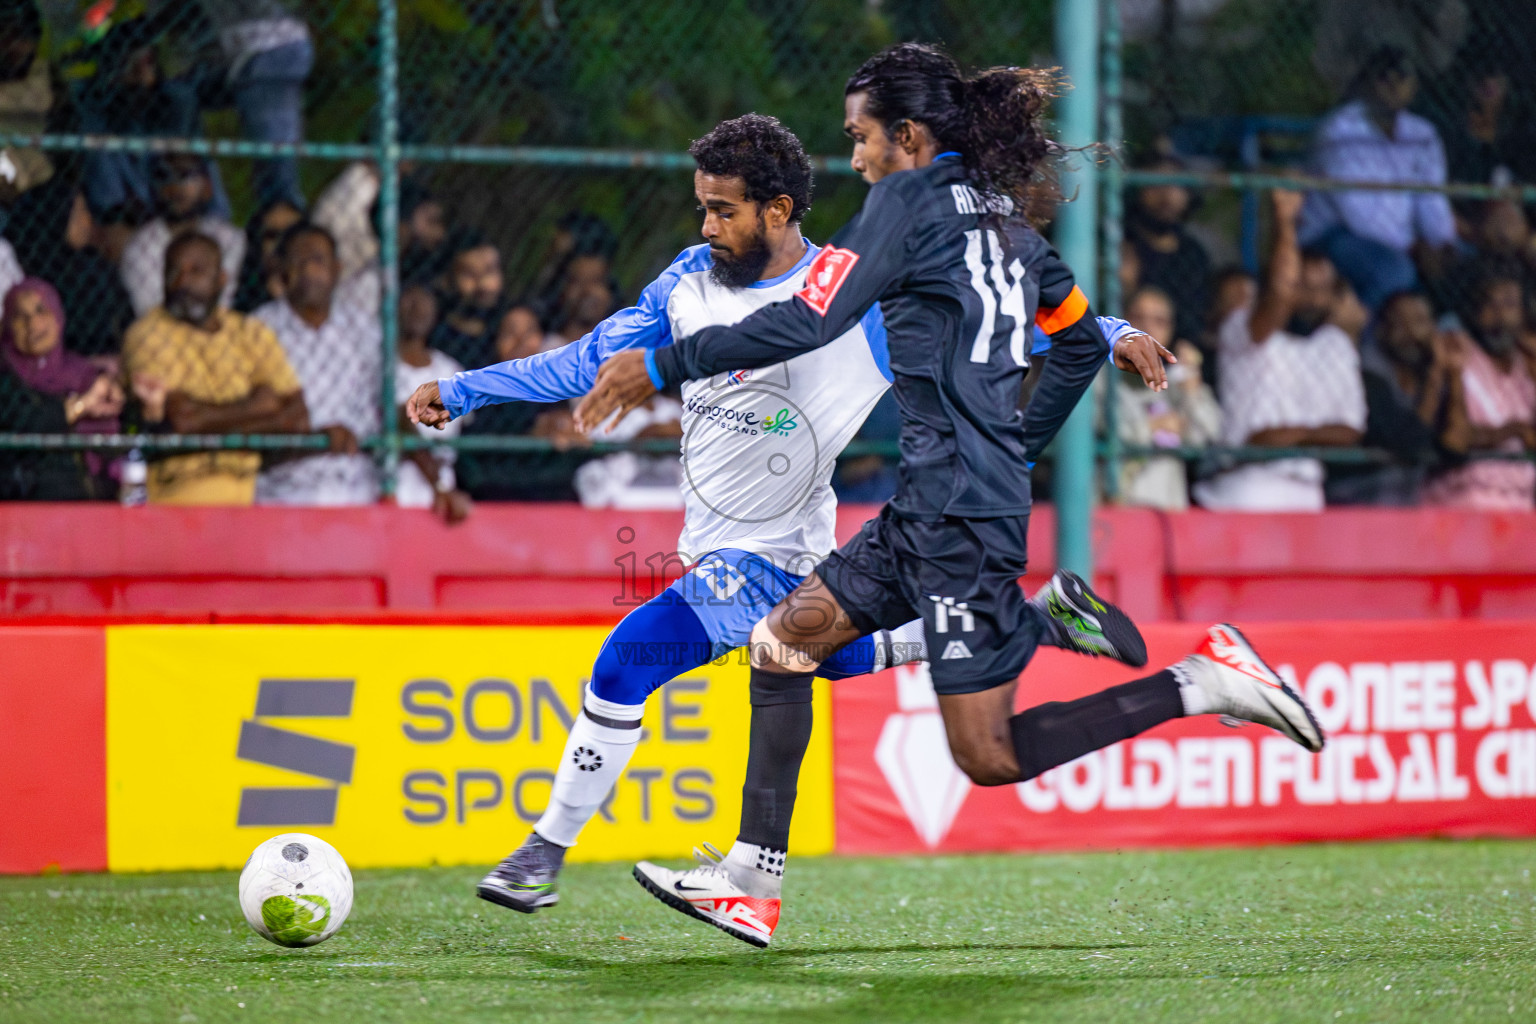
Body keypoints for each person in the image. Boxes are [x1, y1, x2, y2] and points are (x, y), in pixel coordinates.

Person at [576, 44, 1319, 948]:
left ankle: (1200, 682)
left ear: (908, 136)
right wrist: (1011, 449)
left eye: (860, 138)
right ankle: (750, 882)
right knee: (782, 648)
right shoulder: (1009, 224)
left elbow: (811, 317)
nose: (853, 158)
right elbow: (1080, 344)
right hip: (938, 504)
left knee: (988, 755)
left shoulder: (907, 201)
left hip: (957, 518)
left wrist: (659, 361)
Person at [407, 112, 1158, 922]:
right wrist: (465, 389)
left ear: (777, 210)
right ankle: (1036, 623)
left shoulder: (857, 292)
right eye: (702, 207)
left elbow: (986, 315)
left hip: (775, 552)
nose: (707, 226)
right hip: (739, 553)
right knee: (823, 662)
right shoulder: (686, 283)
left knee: (627, 659)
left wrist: (1110, 331)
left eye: (723, 210)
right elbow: (588, 360)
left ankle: (540, 855)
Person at [1194, 190, 1367, 512]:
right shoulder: (1238, 331)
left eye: (1321, 290)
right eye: (1302, 287)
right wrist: (1285, 224)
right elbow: (1279, 292)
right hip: (1246, 483)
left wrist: (1289, 436)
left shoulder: (1330, 345)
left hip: (1307, 488)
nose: (1311, 298)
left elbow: (1348, 431)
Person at [120, 231, 307, 504]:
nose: (183, 281)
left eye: (196, 270)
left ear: (222, 279)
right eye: (174, 272)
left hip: (250, 495)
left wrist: (204, 419)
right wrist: (261, 409)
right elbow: (180, 420)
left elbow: (298, 420)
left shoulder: (251, 332)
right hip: (176, 494)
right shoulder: (147, 333)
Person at [1297, 45, 1457, 309]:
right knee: (1394, 272)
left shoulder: (1423, 134)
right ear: (1367, 84)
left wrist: (1441, 242)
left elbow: (1431, 199)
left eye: (1402, 78)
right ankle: (1366, 342)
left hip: (1400, 241)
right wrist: (1415, 249)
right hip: (1332, 235)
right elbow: (1359, 214)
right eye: (1384, 78)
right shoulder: (1340, 131)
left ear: (1415, 85)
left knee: (1466, 263)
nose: (1394, 86)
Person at [253, 223, 380, 506]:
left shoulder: (364, 328)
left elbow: (385, 405)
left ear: (337, 270)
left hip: (357, 488)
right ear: (281, 271)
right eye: (299, 261)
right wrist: (314, 440)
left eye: (318, 261)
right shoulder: (257, 330)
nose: (310, 270)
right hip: (283, 491)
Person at [1326, 291, 1470, 505]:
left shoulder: (1427, 374)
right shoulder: (1367, 374)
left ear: (1433, 329)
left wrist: (1455, 373)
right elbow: (1407, 443)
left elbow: (1456, 447)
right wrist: (1437, 375)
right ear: (1382, 331)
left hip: (1403, 514)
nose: (1410, 333)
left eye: (1419, 322)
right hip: (1354, 506)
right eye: (1399, 323)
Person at [1422, 271, 1536, 509]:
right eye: (1490, 305)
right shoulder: (1457, 354)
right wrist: (1511, 431)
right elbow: (1455, 440)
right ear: (1474, 312)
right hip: (1464, 504)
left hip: (1520, 509)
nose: (1500, 316)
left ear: (1524, 314)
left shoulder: (1524, 366)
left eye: (1509, 305)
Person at [0, 278, 122, 499]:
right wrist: (80, 406)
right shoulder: (6, 376)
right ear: (8, 327)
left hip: (88, 494)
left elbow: (111, 446)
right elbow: (22, 421)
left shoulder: (85, 375)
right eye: (19, 316)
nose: (33, 323)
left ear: (58, 316)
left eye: (41, 310)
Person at [1106, 286, 1221, 511]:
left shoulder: (1178, 385)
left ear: (1169, 332)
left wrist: (1192, 390)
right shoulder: (1100, 380)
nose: (1147, 328)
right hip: (1115, 512)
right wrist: (1153, 427)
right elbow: (1088, 431)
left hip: (1168, 513)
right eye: (1138, 318)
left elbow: (1209, 434)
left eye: (1159, 321)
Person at [4, 175, 133, 356]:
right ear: (57, 219)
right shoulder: (37, 279)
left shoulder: (95, 265)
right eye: (80, 213)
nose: (87, 220)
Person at [119, 155, 246, 317]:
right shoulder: (140, 247)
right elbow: (151, 315)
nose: (174, 186)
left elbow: (223, 305)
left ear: (207, 188)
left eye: (185, 175)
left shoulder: (230, 238)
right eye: (163, 176)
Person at [394, 281, 470, 522]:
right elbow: (401, 426)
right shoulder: (381, 365)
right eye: (409, 298)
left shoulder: (452, 371)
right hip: (394, 491)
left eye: (425, 300)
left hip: (445, 499)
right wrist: (437, 484)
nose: (417, 308)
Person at [1122, 158, 1212, 346]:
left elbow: (1199, 318)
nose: (1167, 195)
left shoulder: (1194, 255)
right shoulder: (1122, 245)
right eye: (1155, 184)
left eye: (1176, 186)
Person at [431, 232, 506, 369]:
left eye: (490, 270)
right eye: (469, 273)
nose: (483, 283)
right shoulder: (431, 334)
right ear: (449, 279)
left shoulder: (506, 330)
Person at [233, 198, 304, 313]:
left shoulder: (327, 296)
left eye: (292, 233)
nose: (283, 242)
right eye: (273, 235)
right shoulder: (242, 299)